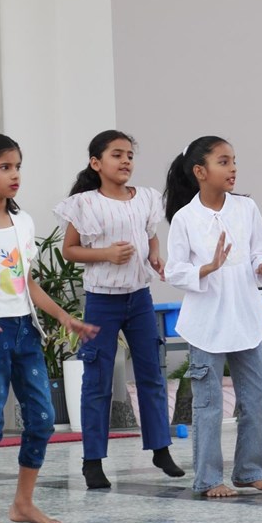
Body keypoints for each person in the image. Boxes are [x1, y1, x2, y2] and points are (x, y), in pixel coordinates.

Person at [0, 133, 97, 523]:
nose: (15, 175)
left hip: (25, 330)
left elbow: (27, 283)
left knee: (43, 419)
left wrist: (63, 317)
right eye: (4, 167)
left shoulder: (23, 222)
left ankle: (23, 504)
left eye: (17, 167)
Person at [55, 130, 183, 489]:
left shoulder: (146, 198)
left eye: (129, 155)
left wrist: (155, 255)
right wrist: (106, 255)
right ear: (96, 163)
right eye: (117, 155)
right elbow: (70, 250)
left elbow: (150, 235)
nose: (126, 161)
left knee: (151, 374)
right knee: (97, 380)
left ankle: (160, 448)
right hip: (102, 301)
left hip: (140, 298)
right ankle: (92, 460)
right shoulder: (84, 203)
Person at [164, 136, 262, 498]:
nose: (233, 169)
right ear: (200, 171)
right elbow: (174, 270)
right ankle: (209, 478)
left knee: (257, 398)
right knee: (209, 404)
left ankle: (250, 470)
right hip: (206, 324)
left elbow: (260, 248)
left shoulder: (246, 208)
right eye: (224, 162)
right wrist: (207, 268)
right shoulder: (185, 218)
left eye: (234, 161)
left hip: (246, 318)